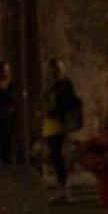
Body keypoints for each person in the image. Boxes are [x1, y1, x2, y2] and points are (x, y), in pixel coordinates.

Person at [41, 59, 80, 201]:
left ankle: (63, 188)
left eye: (56, 69)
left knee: (59, 156)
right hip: (49, 125)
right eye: (51, 70)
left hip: (59, 124)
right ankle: (61, 188)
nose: (53, 72)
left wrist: (53, 111)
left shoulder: (65, 85)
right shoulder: (49, 85)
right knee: (55, 157)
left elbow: (69, 103)